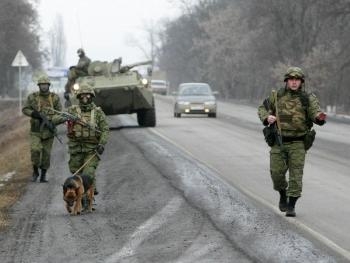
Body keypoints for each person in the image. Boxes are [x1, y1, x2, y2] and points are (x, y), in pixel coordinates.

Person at [258, 66, 327, 217]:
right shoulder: (277, 96)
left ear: (301, 82)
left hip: (298, 143)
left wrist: (319, 117)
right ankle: (282, 193)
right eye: (291, 80)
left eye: (297, 80)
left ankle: (291, 205)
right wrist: (267, 117)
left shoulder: (308, 98)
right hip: (279, 141)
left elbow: (315, 112)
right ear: (286, 81)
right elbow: (262, 108)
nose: (294, 82)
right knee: (276, 174)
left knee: (296, 175)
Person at [54, 83, 109, 196]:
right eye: (82, 95)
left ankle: (85, 200)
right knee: (76, 173)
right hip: (76, 149)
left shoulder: (98, 112)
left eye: (88, 95)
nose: (85, 97)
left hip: (91, 150)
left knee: (88, 174)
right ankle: (91, 187)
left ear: (91, 96)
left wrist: (102, 144)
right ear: (78, 97)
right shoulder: (72, 111)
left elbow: (105, 129)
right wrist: (64, 118)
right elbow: (56, 119)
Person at [22, 75, 62, 182]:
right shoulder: (32, 97)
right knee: (35, 150)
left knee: (46, 154)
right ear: (39, 86)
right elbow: (25, 109)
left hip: (49, 132)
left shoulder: (55, 98)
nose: (44, 87)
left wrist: (52, 121)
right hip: (35, 130)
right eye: (42, 85)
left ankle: (43, 175)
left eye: (45, 85)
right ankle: (35, 171)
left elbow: (60, 114)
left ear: (49, 85)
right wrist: (34, 114)